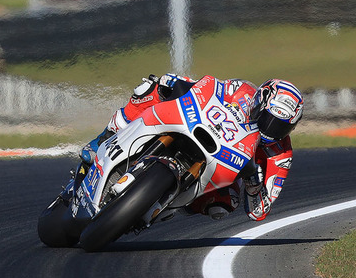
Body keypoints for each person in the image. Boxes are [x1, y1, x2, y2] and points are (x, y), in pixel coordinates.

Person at [80, 73, 303, 222]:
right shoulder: (242, 90)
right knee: (151, 88)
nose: (271, 130)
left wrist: (254, 185)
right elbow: (207, 88)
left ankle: (170, 203)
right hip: (198, 127)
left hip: (222, 167)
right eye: (268, 120)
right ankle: (105, 136)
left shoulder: (280, 154)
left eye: (281, 127)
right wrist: (179, 82)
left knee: (225, 205)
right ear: (259, 102)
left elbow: (259, 212)